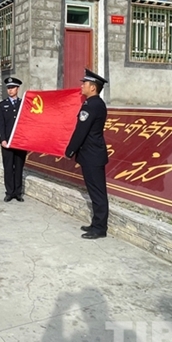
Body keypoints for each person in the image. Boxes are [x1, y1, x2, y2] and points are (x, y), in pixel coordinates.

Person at [65, 69, 110, 240]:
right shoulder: (94, 103)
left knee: (98, 193)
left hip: (92, 155)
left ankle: (100, 228)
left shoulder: (92, 105)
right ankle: (96, 223)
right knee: (94, 191)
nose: (82, 86)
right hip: (91, 154)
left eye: (85, 83)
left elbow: (81, 131)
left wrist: (70, 150)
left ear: (93, 87)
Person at [0, 76, 27, 202]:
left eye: (12, 87)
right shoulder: (2, 105)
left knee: (19, 167)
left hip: (20, 142)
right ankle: (9, 192)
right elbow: (1, 124)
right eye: (8, 88)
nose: (10, 90)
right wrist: (2, 139)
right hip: (7, 142)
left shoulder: (23, 104)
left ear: (17, 89)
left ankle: (18, 192)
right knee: (8, 168)